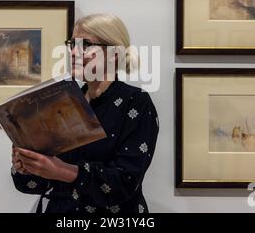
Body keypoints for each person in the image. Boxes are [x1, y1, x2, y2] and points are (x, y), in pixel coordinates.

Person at [11, 13, 159, 213]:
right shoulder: (63, 101)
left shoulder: (135, 103)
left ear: (114, 53)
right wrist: (28, 167)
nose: (73, 52)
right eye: (72, 43)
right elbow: (40, 184)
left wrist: (62, 171)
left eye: (86, 44)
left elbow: (125, 182)